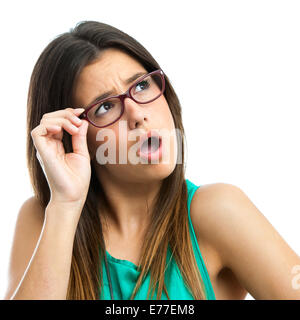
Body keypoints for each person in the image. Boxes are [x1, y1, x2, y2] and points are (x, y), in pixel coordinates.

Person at [4, 21, 300, 300]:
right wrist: (65, 205)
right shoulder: (44, 217)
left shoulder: (218, 210)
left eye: (142, 86)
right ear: (73, 136)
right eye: (106, 106)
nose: (138, 115)